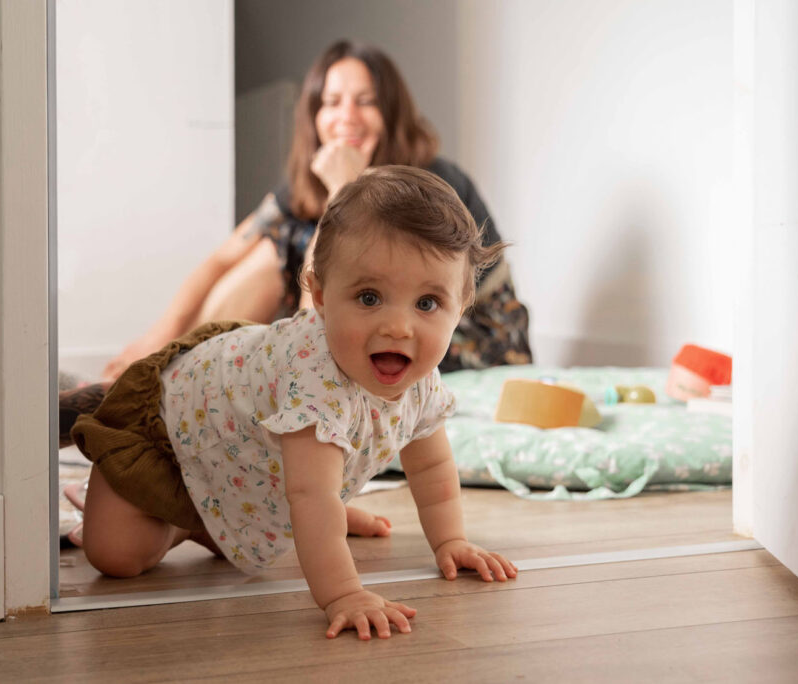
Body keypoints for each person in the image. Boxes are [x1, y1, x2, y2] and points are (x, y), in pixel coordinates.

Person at [71, 167, 519, 640]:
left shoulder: (421, 379)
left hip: (240, 456)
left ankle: (215, 517)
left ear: (462, 305)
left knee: (302, 502)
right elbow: (312, 496)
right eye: (370, 298)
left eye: (427, 304)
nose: (398, 328)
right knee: (117, 556)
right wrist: (344, 593)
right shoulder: (314, 385)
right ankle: (180, 519)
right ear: (321, 296)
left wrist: (451, 541)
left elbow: (431, 471)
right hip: (169, 432)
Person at [99, 39, 530, 383]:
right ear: (314, 114)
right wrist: (151, 348)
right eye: (332, 102)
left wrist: (346, 186)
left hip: (460, 337)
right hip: (373, 323)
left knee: (302, 249)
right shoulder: (308, 182)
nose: (347, 117)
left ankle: (270, 380)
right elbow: (222, 259)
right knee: (268, 251)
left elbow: (357, 288)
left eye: (366, 101)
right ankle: (178, 376)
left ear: (391, 113)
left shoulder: (431, 182)